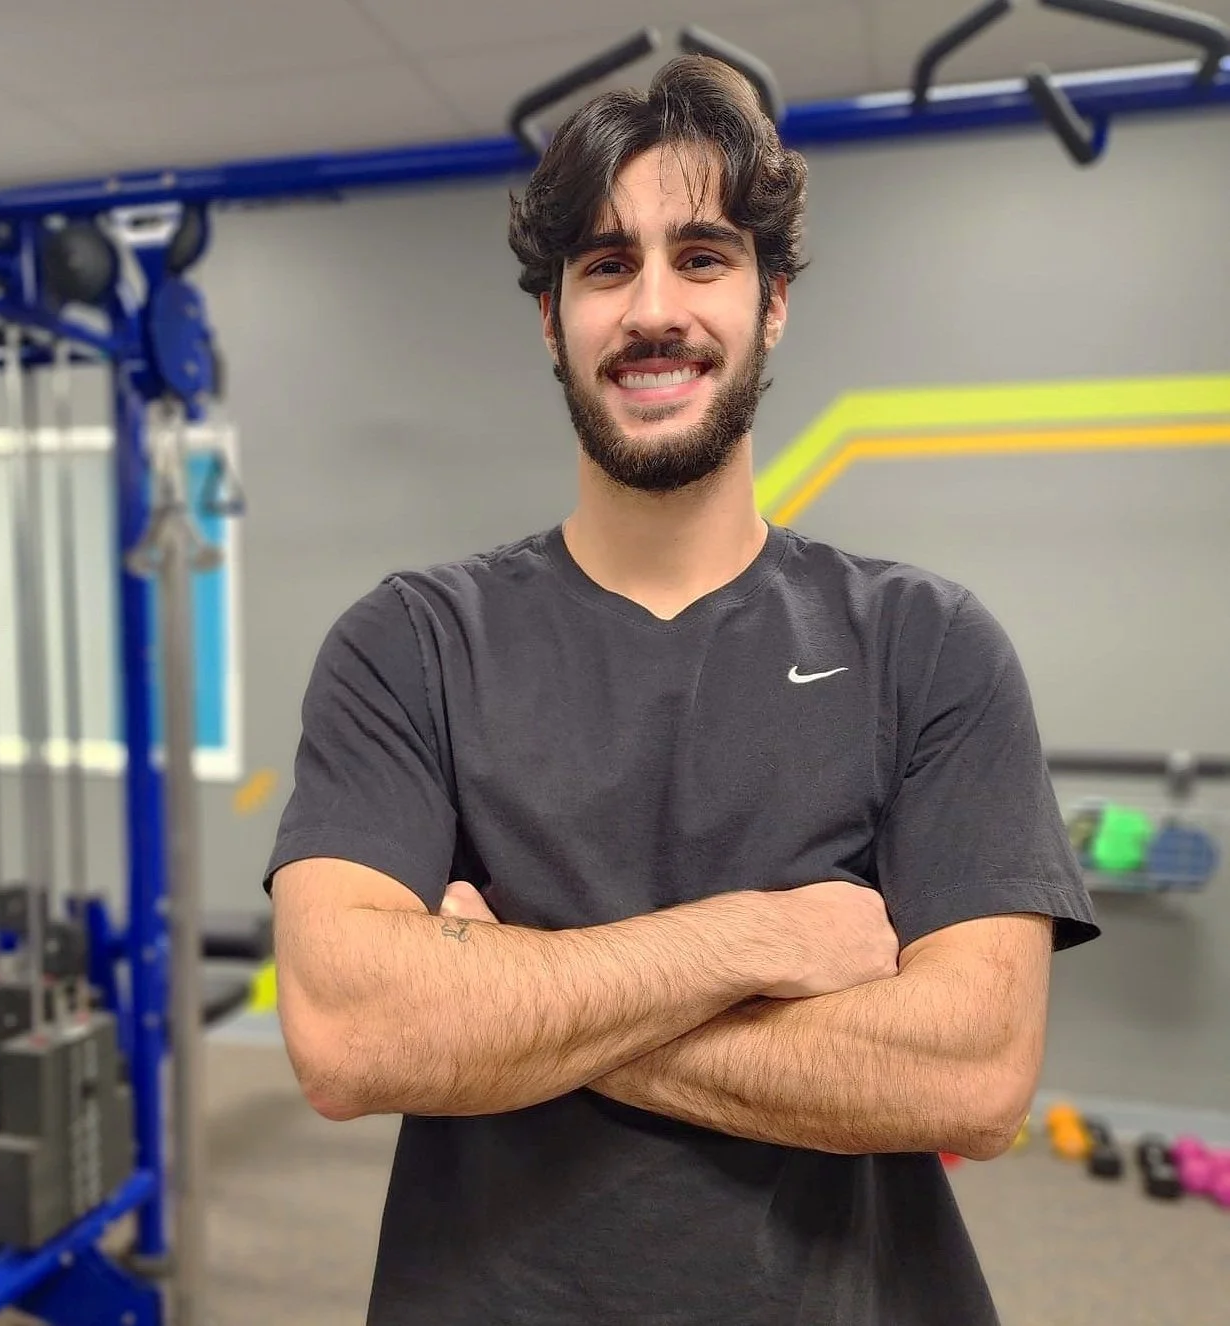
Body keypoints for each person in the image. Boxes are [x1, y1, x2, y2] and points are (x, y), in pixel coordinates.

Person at [265, 54, 1099, 1326]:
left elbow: (975, 1079)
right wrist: (762, 942)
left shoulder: (927, 643)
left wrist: (509, 993)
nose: (654, 308)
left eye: (702, 257)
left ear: (772, 304)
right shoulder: (412, 643)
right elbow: (347, 1037)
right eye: (605, 265)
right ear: (552, 318)